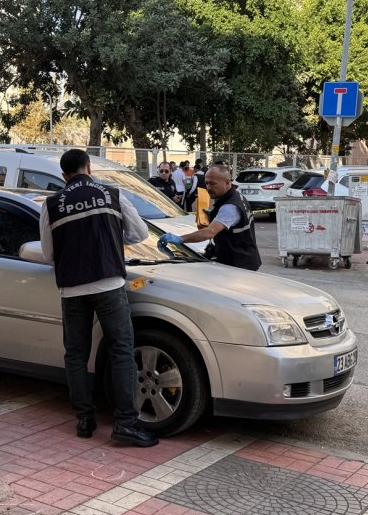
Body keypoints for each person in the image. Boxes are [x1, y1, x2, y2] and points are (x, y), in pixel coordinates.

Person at [40, 149, 158, 447]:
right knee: (121, 350)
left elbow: (48, 253)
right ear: (88, 168)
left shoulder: (52, 204)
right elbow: (139, 233)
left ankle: (84, 420)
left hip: (72, 290)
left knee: (76, 355)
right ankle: (126, 424)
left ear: (64, 174)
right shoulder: (112, 194)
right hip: (109, 284)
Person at [158, 163, 261, 271]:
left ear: (227, 182)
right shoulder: (233, 196)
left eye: (213, 184)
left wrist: (180, 239)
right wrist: (212, 215)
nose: (208, 188)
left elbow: (209, 232)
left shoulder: (230, 206)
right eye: (206, 183)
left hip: (239, 265)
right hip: (240, 260)